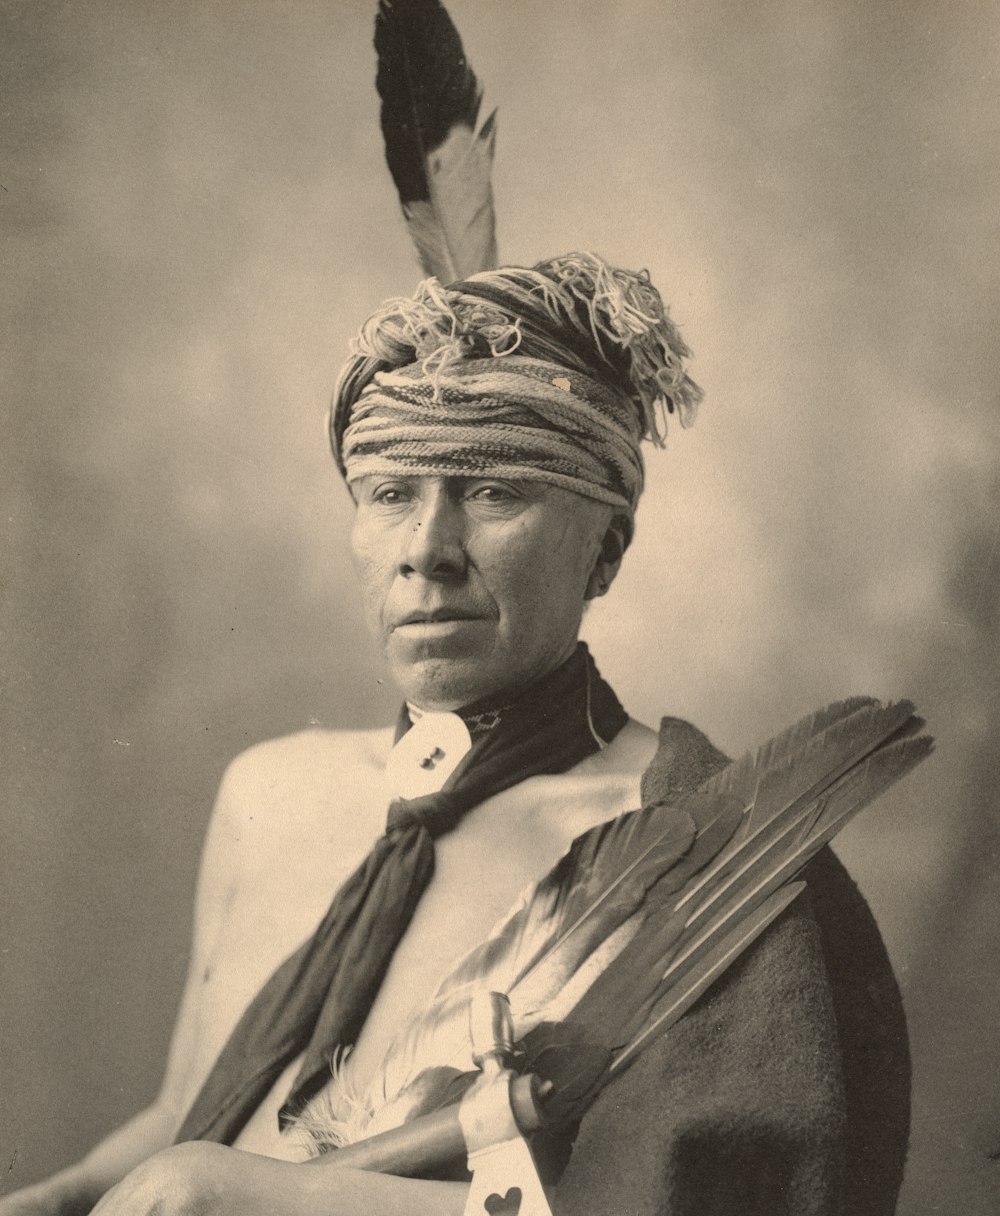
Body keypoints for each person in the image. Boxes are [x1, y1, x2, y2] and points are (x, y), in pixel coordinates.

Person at [1, 253, 910, 1216]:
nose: (425, 553)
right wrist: (67, 1195)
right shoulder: (267, 791)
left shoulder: (692, 851)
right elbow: (194, 1111)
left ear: (606, 550)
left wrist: (275, 1203)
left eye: (490, 494)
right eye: (390, 493)